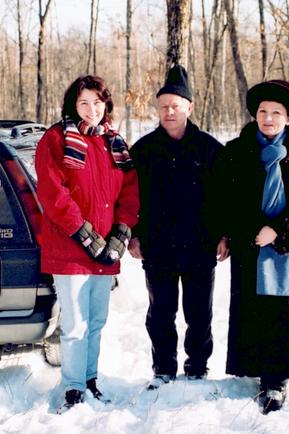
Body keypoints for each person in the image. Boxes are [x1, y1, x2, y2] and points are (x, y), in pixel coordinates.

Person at [216, 79, 289, 414]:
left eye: (276, 112)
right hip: (251, 246)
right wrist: (251, 231)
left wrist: (277, 231)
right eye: (263, 111)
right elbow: (226, 201)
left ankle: (277, 379)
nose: (268, 118)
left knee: (284, 309)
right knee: (255, 308)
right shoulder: (236, 152)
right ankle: (258, 369)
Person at [34, 75, 139, 412]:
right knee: (76, 323)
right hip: (71, 250)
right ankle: (73, 387)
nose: (91, 109)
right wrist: (82, 232)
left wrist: (121, 233)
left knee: (96, 320)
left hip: (105, 251)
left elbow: (129, 192)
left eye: (97, 102)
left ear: (105, 104)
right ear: (72, 106)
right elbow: (53, 193)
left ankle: (90, 379)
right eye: (83, 103)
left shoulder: (115, 142)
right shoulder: (56, 139)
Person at [128, 64, 228, 390]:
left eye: (175, 106)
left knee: (199, 313)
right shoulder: (143, 151)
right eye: (163, 107)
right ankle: (163, 369)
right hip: (158, 247)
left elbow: (225, 197)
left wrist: (225, 234)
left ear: (189, 107)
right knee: (161, 313)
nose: (169, 112)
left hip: (201, 245)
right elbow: (131, 198)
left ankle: (197, 366)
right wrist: (134, 235)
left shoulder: (211, 150)